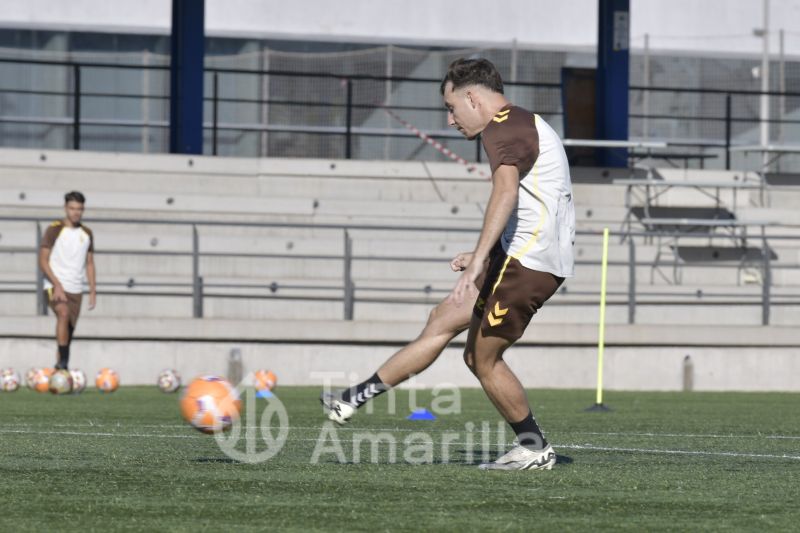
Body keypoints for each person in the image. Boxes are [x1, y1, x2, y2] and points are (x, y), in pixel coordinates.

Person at [321, 58, 575, 471]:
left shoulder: (503, 127)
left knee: (481, 358)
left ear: (472, 97)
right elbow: (531, 203)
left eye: (451, 106)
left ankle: (533, 448)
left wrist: (480, 259)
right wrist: (486, 254)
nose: (450, 119)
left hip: (529, 262)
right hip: (519, 255)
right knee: (442, 318)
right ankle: (353, 398)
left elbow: (506, 193)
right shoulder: (519, 122)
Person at [39, 191, 96, 371]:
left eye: (79, 209)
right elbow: (42, 260)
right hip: (55, 286)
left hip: (76, 289)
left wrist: (93, 291)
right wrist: (56, 284)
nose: (75, 212)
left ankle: (59, 373)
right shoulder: (54, 229)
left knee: (67, 335)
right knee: (62, 313)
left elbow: (89, 263)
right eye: (72, 208)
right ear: (65, 208)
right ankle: (64, 364)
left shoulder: (87, 233)